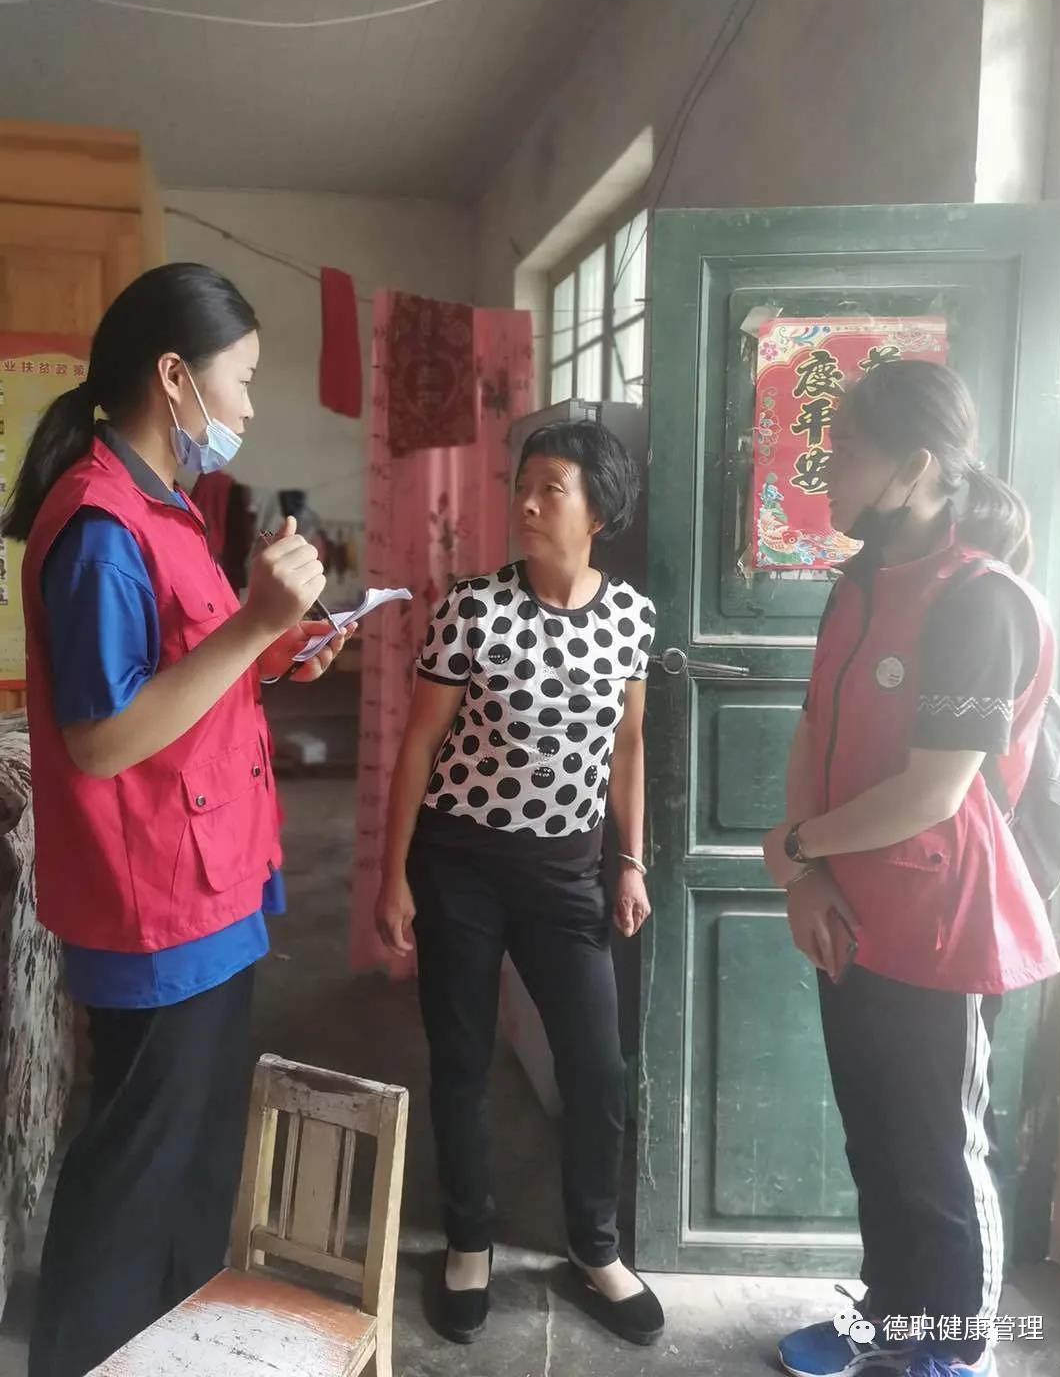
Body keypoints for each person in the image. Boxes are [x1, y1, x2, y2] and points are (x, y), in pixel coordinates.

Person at [6, 263, 354, 1377]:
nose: (248, 404)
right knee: (135, 1179)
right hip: (154, 905)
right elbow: (102, 738)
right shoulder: (100, 526)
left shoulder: (162, 505)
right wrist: (255, 625)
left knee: (193, 1165)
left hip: (211, 880)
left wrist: (280, 646)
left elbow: (188, 673)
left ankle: (167, 1353)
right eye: (240, 378)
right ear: (174, 375)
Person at [764, 360, 1060, 1377]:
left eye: (845, 448)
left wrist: (800, 848)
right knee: (876, 1139)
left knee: (940, 1153)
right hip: (850, 909)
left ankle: (957, 1346)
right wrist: (807, 877)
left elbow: (934, 791)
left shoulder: (981, 602)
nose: (826, 467)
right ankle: (892, 1314)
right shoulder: (857, 584)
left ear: (917, 467)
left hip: (944, 923)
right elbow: (814, 728)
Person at [375, 419, 665, 1347]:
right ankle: (468, 1243)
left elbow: (628, 746)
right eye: (523, 486)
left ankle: (595, 1248)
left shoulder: (632, 617)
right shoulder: (473, 607)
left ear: (598, 512)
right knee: (461, 1060)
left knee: (597, 1069)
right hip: (459, 867)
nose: (528, 505)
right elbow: (420, 745)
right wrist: (393, 876)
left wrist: (630, 860)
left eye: (552, 489)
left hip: (567, 877)